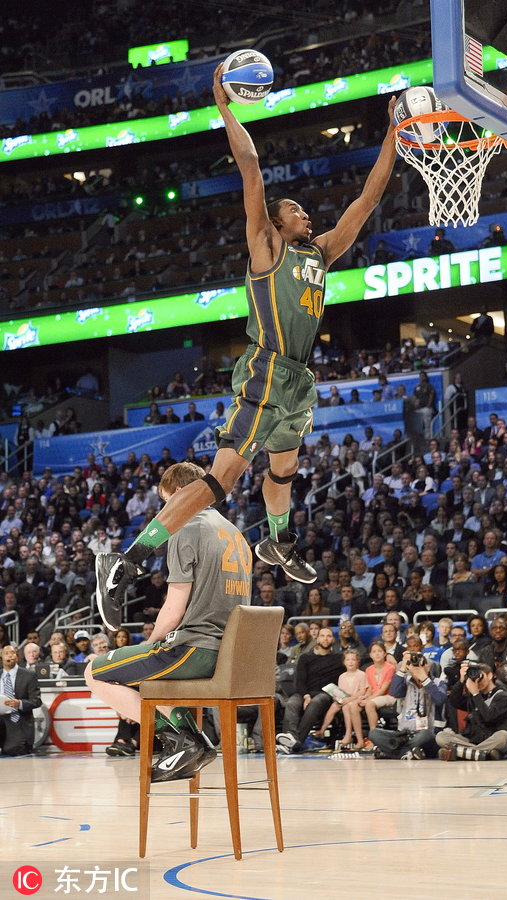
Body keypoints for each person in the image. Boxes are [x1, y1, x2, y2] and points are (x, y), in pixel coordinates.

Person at [95, 65, 398, 624]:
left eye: (305, 210)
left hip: (300, 380)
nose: (305, 213)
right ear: (276, 225)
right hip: (265, 369)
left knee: (282, 471)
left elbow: (368, 199)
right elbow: (251, 167)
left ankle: (278, 542)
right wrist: (225, 107)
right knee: (222, 478)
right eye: (295, 211)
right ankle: (130, 559)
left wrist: (393, 135)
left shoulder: (321, 253)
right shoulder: (267, 250)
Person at [85, 462, 253, 783]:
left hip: (195, 649)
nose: (166, 513)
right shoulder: (235, 533)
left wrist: (149, 647)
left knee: (94, 673)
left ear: (180, 494)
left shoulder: (186, 528)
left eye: (166, 503)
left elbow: (173, 610)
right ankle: (191, 741)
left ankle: (178, 739)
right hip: (229, 655)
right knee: (155, 676)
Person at [368, 635, 446, 760]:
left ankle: (392, 753)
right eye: (414, 666)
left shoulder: (437, 683)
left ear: (428, 667)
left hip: (426, 734)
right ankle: (409, 753)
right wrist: (403, 667)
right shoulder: (406, 682)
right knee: (374, 733)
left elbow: (440, 699)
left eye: (421, 666)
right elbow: (394, 692)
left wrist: (424, 679)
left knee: (426, 734)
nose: (416, 669)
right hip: (403, 735)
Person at [276, 626, 345, 753]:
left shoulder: (339, 658)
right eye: (323, 636)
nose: (325, 639)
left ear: (333, 639)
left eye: (329, 636)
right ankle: (290, 737)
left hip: (325, 694)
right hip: (305, 691)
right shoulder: (305, 657)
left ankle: (295, 741)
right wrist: (306, 695)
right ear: (317, 638)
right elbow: (300, 681)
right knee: (291, 703)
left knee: (316, 702)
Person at [437, 661, 507, 761]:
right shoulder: (474, 696)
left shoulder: (503, 696)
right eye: (474, 678)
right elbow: (454, 702)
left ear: (490, 675)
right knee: (441, 736)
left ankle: (461, 753)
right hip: (473, 740)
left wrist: (475, 693)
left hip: (493, 739)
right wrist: (461, 681)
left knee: (502, 737)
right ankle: (482, 754)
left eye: (481, 677)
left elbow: (489, 717)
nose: (478, 681)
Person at [0, 644, 41, 756]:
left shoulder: (29, 675)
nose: (10, 656)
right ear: (1, 657)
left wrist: (20, 703)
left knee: (14, 750)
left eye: (13, 653)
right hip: (2, 721)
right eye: (6, 653)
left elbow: (36, 701)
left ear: (17, 656)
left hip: (19, 722)